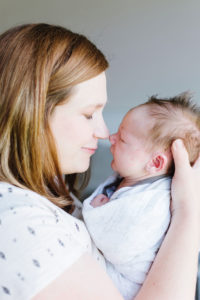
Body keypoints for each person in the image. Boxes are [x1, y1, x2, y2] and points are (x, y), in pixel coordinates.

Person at [0, 23, 199, 300]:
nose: (104, 133)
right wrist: (189, 214)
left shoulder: (47, 189)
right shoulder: (18, 224)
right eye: (88, 114)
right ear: (33, 112)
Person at [82, 93, 200, 300]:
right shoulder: (134, 178)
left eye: (123, 138)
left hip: (131, 287)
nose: (111, 137)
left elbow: (117, 244)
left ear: (155, 163)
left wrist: (98, 209)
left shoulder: (154, 202)